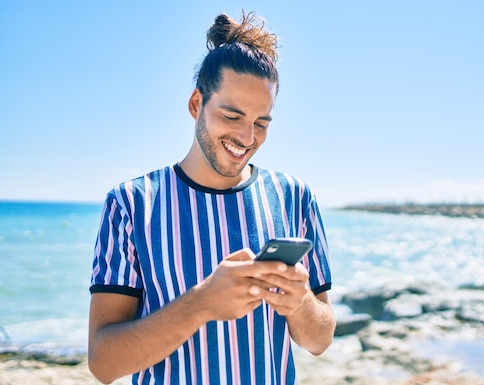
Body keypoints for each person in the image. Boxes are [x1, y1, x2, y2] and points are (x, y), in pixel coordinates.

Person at [88, 11, 335, 385]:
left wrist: (300, 303)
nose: (248, 137)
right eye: (232, 116)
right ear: (195, 104)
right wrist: (201, 304)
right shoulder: (131, 204)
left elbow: (319, 340)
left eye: (262, 122)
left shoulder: (294, 197)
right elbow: (103, 364)